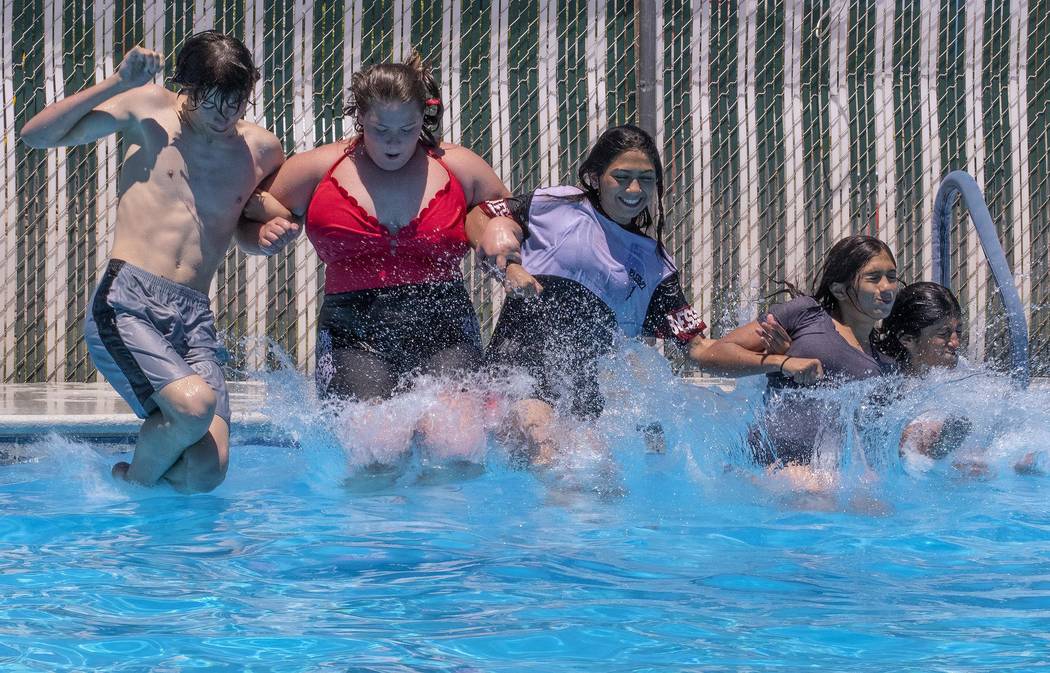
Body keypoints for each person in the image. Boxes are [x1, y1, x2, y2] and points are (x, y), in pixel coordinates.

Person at [20, 31, 298, 492]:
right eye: (210, 102)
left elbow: (245, 228)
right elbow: (35, 136)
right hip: (129, 300)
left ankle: (147, 520)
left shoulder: (261, 150)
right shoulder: (148, 111)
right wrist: (115, 83)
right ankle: (132, 492)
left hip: (195, 314)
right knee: (193, 406)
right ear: (185, 87)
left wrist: (264, 236)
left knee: (208, 470)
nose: (224, 115)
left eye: (236, 102)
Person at [255, 53, 511, 464]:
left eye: (407, 129)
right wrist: (261, 232)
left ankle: (442, 530)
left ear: (422, 119)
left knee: (457, 451)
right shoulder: (318, 168)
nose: (394, 142)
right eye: (380, 130)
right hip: (356, 332)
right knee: (377, 456)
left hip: (442, 324)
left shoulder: (457, 166)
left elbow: (505, 208)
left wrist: (500, 228)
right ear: (360, 118)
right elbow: (249, 209)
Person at [470, 125, 714, 466]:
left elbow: (700, 348)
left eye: (646, 179)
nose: (634, 189)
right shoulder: (556, 207)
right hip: (516, 380)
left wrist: (776, 359)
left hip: (580, 399)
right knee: (546, 448)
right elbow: (479, 215)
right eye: (622, 176)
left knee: (600, 477)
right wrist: (509, 260)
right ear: (596, 177)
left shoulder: (655, 266)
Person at [695, 235, 899, 468]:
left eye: (892, 278)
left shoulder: (884, 366)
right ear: (839, 290)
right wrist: (782, 362)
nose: (887, 288)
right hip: (762, 469)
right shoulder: (806, 315)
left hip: (821, 482)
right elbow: (713, 356)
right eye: (873, 278)